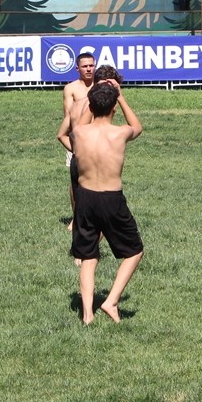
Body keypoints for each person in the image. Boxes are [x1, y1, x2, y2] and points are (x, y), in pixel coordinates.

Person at [70, 80, 144, 324]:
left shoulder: (79, 132)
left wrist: (96, 98)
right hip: (111, 199)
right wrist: (120, 97)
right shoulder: (120, 133)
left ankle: (87, 315)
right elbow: (138, 127)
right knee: (134, 251)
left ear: (90, 105)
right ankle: (111, 301)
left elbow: (80, 122)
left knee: (88, 257)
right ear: (114, 108)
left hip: (85, 197)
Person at [58, 52, 96, 231]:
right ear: (77, 68)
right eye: (85, 66)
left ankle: (95, 214)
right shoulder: (71, 88)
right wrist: (74, 144)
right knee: (76, 181)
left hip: (97, 139)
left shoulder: (100, 85)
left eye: (91, 65)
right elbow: (69, 115)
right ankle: (77, 217)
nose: (89, 69)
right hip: (76, 140)